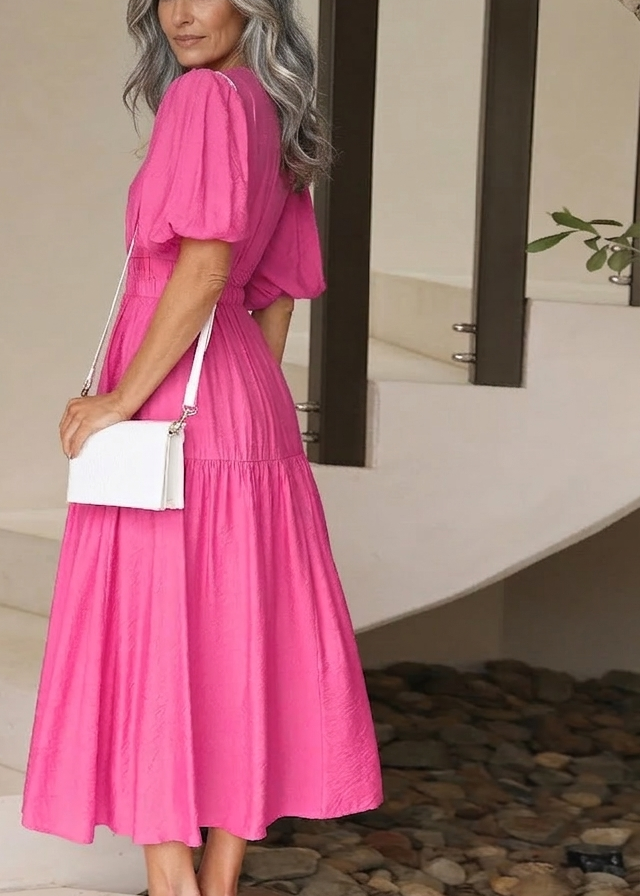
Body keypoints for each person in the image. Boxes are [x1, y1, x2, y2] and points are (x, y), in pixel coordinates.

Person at [22, 1, 383, 895]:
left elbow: (207, 264)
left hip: (173, 392)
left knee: (160, 638)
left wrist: (122, 399)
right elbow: (280, 293)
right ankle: (214, 883)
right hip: (246, 397)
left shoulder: (206, 98)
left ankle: (170, 884)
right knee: (236, 641)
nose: (181, 13)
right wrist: (244, 404)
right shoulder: (275, 109)